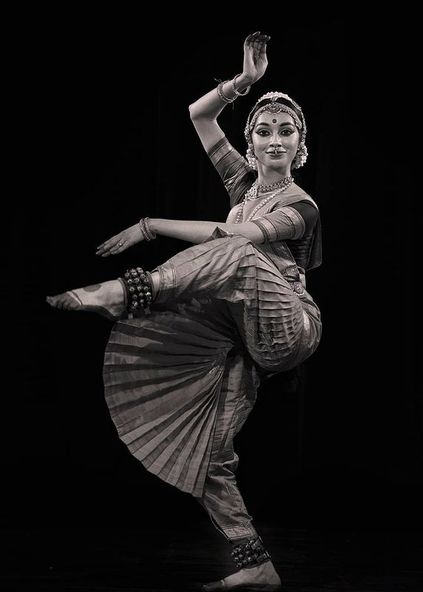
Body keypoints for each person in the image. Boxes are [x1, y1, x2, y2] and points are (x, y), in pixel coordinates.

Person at [46, 31, 322, 592]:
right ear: (250, 147)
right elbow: (198, 116)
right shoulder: (241, 184)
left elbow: (236, 235)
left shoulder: (300, 205)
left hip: (291, 323)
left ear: (301, 146)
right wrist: (244, 84)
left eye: (285, 131)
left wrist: (150, 227)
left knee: (238, 251)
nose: (274, 138)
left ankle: (126, 292)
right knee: (213, 452)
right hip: (244, 334)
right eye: (263, 131)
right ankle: (255, 564)